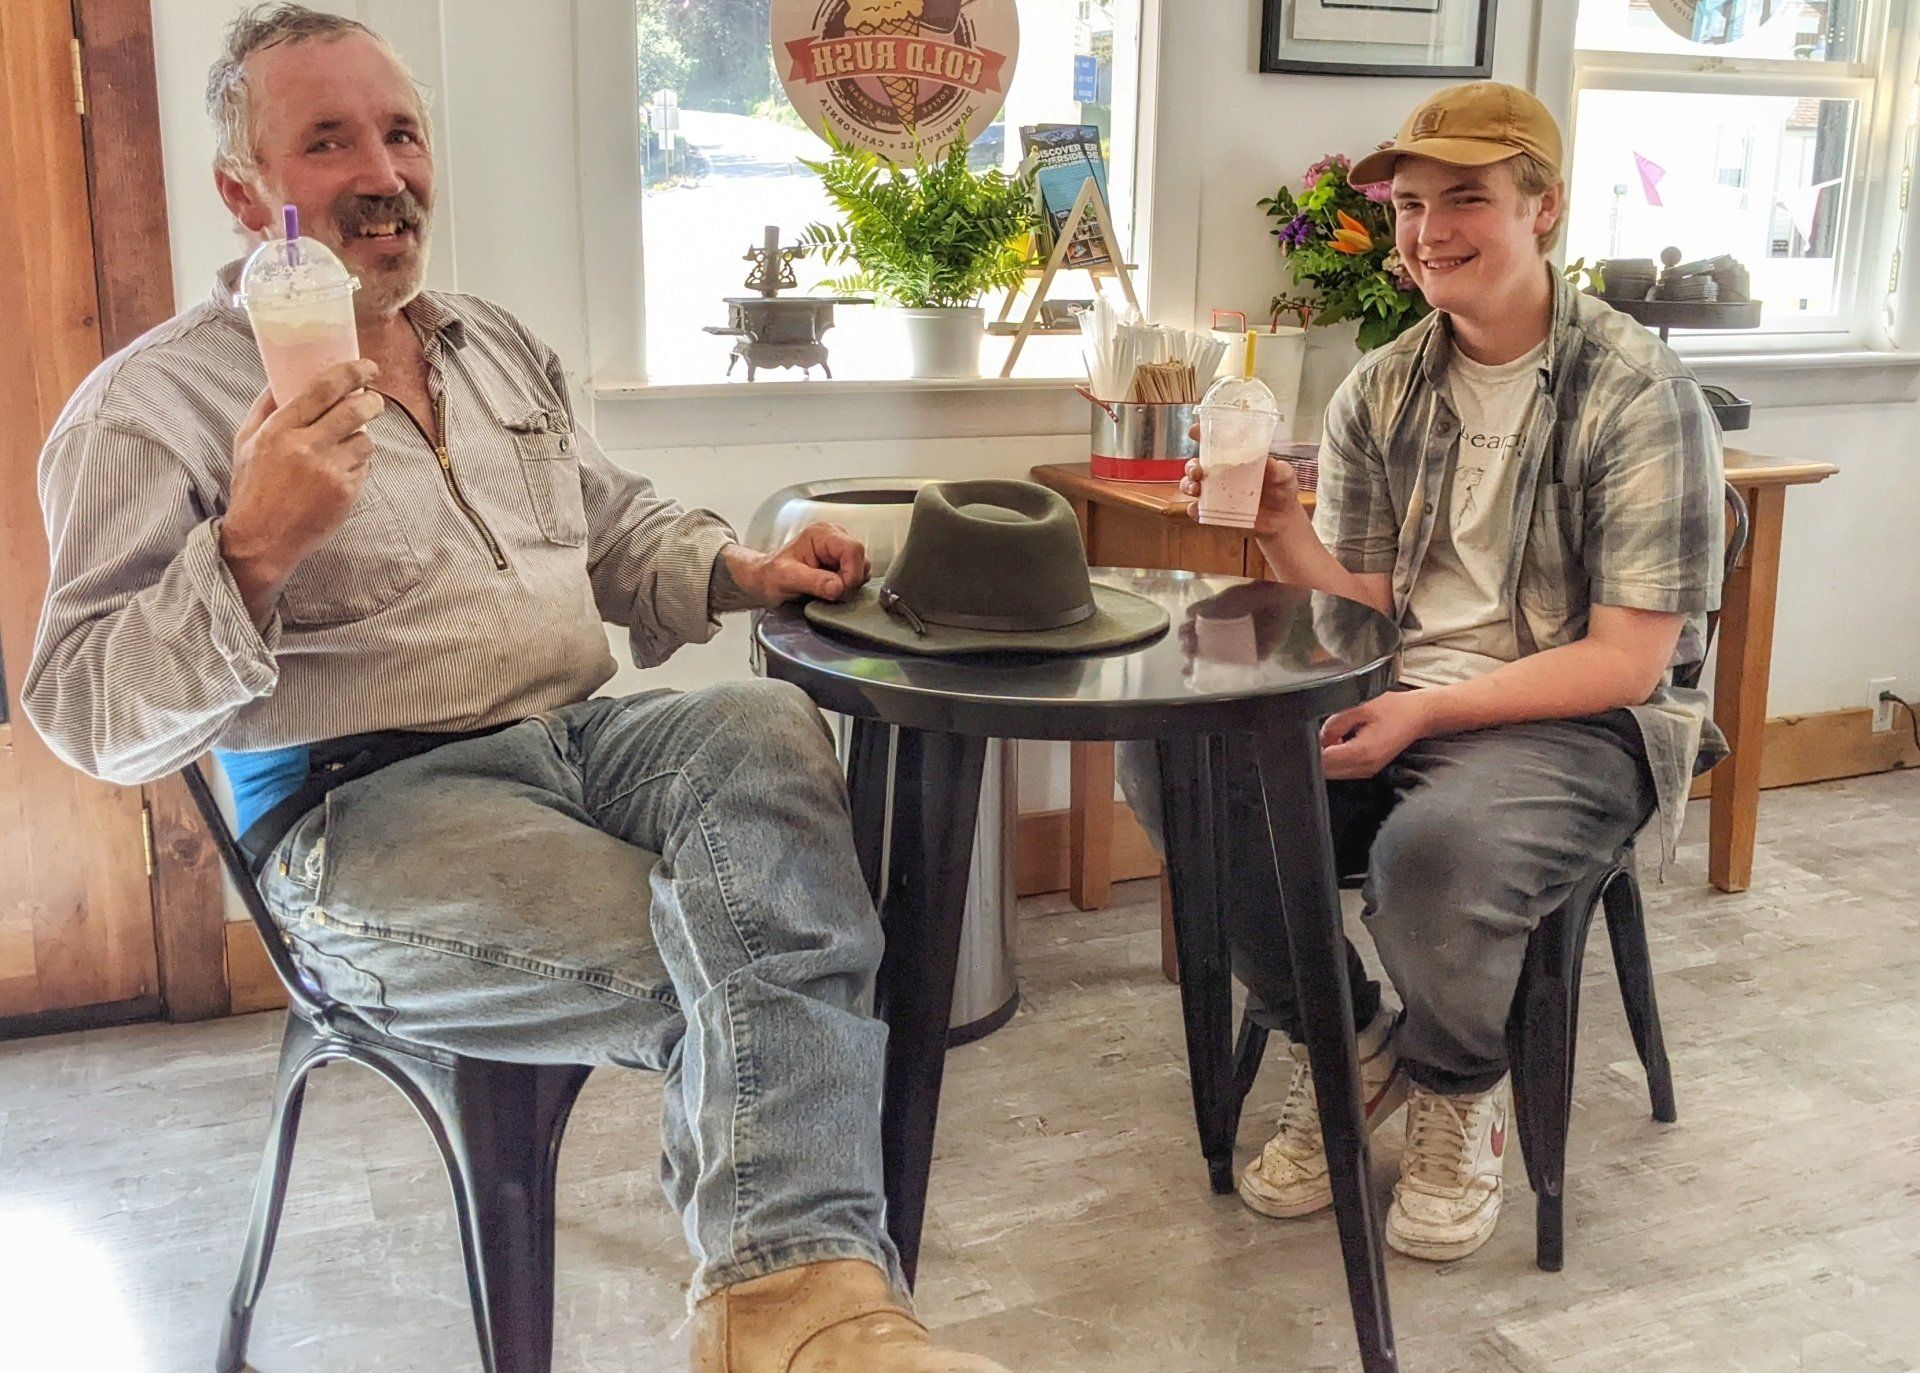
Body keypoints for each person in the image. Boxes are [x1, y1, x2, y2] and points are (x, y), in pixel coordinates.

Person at [21, 7, 1009, 1371]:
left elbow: (615, 531)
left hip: (580, 742)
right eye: (328, 140)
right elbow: (79, 710)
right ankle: (810, 1318)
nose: (385, 170)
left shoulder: (491, 344)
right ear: (243, 192)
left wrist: (745, 565)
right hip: (359, 811)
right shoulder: (152, 406)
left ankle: (788, 1314)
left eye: (402, 132)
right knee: (756, 952)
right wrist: (249, 548)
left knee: (759, 719)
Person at [1130, 81, 1725, 1262]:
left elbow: (1626, 658)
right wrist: (1283, 531)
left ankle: (1460, 1084)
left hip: (1581, 717)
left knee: (1432, 855)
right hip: (1404, 692)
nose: (1429, 229)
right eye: (1410, 203)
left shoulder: (1638, 390)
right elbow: (1359, 615)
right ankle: (1348, 1043)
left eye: (1468, 198)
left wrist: (1427, 711)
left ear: (1543, 207)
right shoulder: (1380, 388)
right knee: (1179, 767)